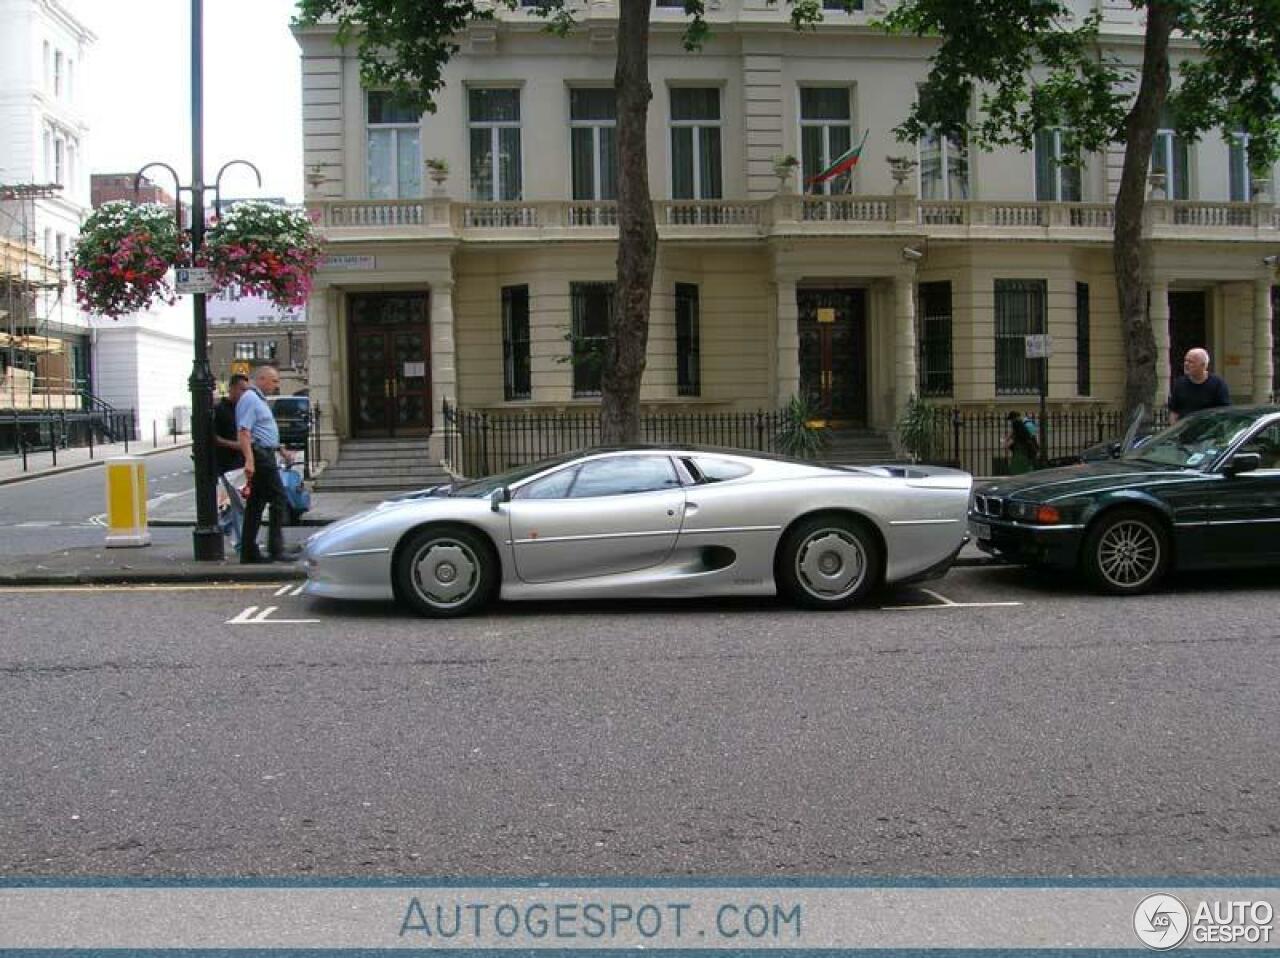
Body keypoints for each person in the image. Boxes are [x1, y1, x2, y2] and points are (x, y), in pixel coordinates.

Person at [236, 364, 295, 563]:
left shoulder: (258, 399)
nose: (276, 385)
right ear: (261, 379)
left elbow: (264, 430)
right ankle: (275, 549)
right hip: (260, 456)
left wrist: (281, 450)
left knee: (256, 504)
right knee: (279, 498)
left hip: (265, 453)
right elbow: (244, 432)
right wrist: (250, 461)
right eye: (274, 381)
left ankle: (249, 552)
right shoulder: (251, 399)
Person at [1168, 347, 1230, 423]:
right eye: (1185, 360)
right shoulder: (1180, 383)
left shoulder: (1218, 384)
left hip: (1209, 431)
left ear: (1203, 365)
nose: (1186, 364)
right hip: (1186, 431)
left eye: (1191, 362)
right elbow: (1174, 412)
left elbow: (1224, 411)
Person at [213, 374, 248, 475]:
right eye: (242, 389)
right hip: (226, 465)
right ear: (232, 388)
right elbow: (214, 438)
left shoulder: (245, 409)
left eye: (246, 390)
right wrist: (236, 445)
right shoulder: (219, 410)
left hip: (243, 463)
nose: (245, 394)